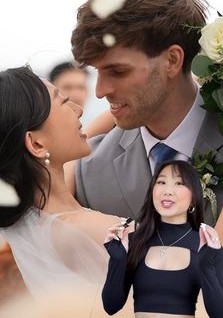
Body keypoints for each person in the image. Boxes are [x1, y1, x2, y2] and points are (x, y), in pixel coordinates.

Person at [70, 0, 223, 227]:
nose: (100, 91)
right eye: (97, 71)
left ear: (172, 60)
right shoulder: (89, 173)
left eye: (118, 71)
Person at [0, 66, 134, 317]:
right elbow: (221, 261)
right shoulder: (98, 232)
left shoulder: (30, 222)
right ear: (36, 143)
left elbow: (83, 136)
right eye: (63, 102)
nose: (79, 109)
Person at [102, 160, 223, 318]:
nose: (168, 191)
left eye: (179, 183)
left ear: (194, 197)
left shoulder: (205, 244)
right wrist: (118, 259)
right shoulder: (133, 241)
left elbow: (221, 313)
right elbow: (111, 306)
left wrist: (207, 266)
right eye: (162, 182)